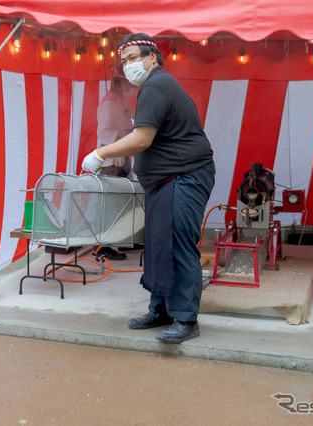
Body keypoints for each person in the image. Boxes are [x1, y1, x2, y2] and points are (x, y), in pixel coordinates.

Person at [81, 33, 216, 344]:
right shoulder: (155, 86)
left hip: (184, 177)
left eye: (133, 59)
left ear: (152, 58)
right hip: (165, 181)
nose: (128, 66)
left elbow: (142, 139)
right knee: (157, 244)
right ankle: (161, 309)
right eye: (124, 62)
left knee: (179, 245)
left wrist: (100, 153)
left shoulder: (156, 85)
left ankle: (186, 319)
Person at [94, 73, 137, 261]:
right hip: (111, 160)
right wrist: (121, 143)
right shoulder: (109, 103)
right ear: (125, 82)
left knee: (129, 198)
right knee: (110, 204)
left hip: (123, 155)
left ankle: (126, 238)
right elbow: (103, 132)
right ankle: (103, 246)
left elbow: (129, 123)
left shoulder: (121, 101)